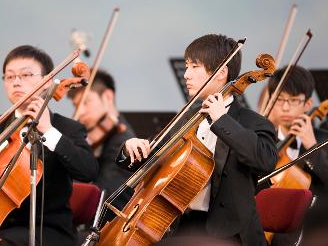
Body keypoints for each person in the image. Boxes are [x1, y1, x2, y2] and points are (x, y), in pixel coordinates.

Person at [117, 34, 278, 246]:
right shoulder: (185, 117)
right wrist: (130, 149)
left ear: (221, 73)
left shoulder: (253, 122)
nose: (186, 75)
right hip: (180, 226)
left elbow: (265, 160)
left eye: (194, 66)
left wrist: (222, 121)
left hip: (230, 234)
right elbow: (144, 161)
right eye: (186, 66)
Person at [0, 45, 98, 246]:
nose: (16, 83)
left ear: (47, 81)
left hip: (48, 231)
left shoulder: (67, 128)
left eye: (25, 75)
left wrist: (48, 130)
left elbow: (88, 171)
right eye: (10, 77)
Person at [266, 66, 328, 246]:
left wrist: (311, 146)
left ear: (308, 104)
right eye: (280, 100)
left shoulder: (324, 140)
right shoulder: (261, 140)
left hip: (312, 232)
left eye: (293, 100)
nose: (285, 107)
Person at [68, 69, 135, 201]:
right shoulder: (88, 136)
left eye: (86, 102)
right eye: (76, 106)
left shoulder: (123, 143)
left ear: (108, 97)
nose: (80, 111)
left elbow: (102, 196)